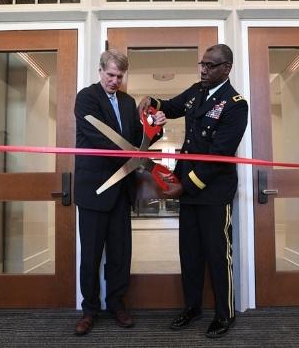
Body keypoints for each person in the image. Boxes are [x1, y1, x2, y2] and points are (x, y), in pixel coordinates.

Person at [137, 44, 248, 338]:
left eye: (210, 66)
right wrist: (153, 100)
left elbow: (220, 155)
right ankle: (193, 307)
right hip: (189, 193)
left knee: (217, 254)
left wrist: (182, 186)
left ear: (226, 68)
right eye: (202, 64)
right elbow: (172, 106)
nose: (203, 70)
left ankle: (225, 314)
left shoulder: (236, 104)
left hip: (213, 193)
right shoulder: (197, 91)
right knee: (190, 254)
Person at [72, 49, 161, 336]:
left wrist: (154, 130)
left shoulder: (127, 101)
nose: (114, 80)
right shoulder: (86, 97)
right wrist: (134, 156)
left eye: (119, 76)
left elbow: (137, 138)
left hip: (121, 190)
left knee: (121, 254)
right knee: (91, 255)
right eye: (110, 75)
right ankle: (89, 310)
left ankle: (117, 305)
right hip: (94, 190)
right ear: (100, 71)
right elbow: (97, 137)